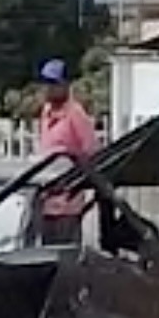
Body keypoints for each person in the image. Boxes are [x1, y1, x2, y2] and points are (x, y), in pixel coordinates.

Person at [36, 58, 100, 245]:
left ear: (66, 85)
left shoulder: (75, 115)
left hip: (67, 205)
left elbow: (92, 152)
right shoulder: (46, 112)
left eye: (54, 83)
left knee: (66, 258)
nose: (49, 88)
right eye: (46, 83)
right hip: (45, 200)